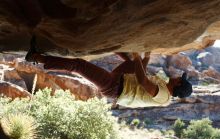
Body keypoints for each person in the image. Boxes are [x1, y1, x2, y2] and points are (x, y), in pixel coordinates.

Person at [25, 36, 193, 108]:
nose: (178, 76)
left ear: (179, 83)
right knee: (133, 62)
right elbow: (141, 71)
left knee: (79, 66)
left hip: (114, 87)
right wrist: (146, 55)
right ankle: (109, 42)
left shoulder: (163, 95)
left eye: (181, 78)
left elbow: (143, 81)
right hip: (121, 81)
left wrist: (137, 56)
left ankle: (36, 57)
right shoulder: (164, 88)